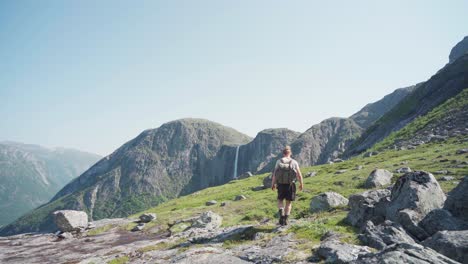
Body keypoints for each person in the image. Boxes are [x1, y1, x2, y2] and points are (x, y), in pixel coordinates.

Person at [271, 146, 303, 226]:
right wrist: (301, 184)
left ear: (283, 153)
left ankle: (281, 215)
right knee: (288, 203)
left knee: (280, 200)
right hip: (291, 185)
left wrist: (273, 184)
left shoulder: (279, 161)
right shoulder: (294, 162)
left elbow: (275, 174)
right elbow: (299, 174)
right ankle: (285, 219)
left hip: (281, 184)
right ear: (290, 153)